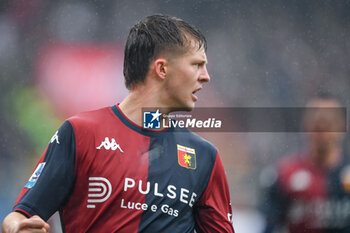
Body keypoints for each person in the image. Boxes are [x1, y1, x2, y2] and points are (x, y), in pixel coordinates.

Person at [2, 14, 234, 233]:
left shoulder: (205, 156)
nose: (205, 76)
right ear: (162, 69)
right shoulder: (80, 133)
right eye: (196, 64)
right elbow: (21, 215)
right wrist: (16, 227)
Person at [260, 94, 349, 233]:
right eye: (318, 122)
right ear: (306, 124)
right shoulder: (283, 175)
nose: (323, 127)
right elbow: (269, 227)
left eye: (329, 122)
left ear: (343, 126)